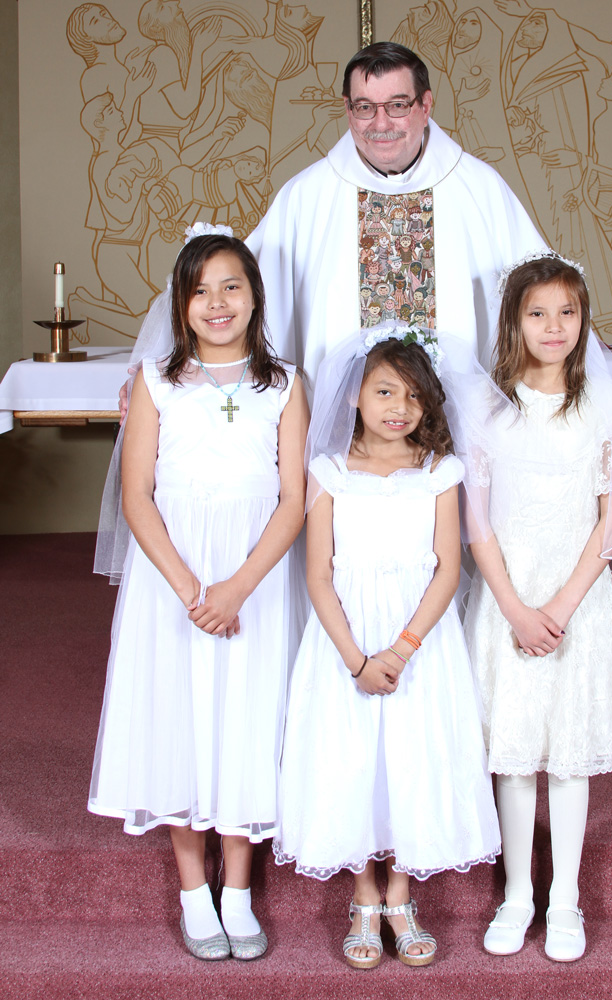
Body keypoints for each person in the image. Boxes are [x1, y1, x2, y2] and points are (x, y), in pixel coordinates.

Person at [88, 230, 309, 961]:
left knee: (246, 714)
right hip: (172, 578)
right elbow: (137, 495)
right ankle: (193, 892)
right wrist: (191, 591)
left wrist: (237, 586)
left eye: (231, 287)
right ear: (181, 303)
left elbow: (292, 498)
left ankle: (239, 892)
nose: (217, 303)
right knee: (180, 713)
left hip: (255, 578)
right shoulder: (155, 381)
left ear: (254, 296)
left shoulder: (283, 384)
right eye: (200, 289)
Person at [275, 328, 501, 968]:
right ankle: (364, 896)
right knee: (354, 760)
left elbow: (448, 570)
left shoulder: (438, 473)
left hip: (417, 641)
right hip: (344, 641)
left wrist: (399, 651)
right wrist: (356, 659)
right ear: (354, 398)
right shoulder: (328, 473)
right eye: (383, 391)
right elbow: (318, 573)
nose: (397, 406)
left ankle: (402, 894)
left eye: (412, 396)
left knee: (411, 758)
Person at [463, 250, 612, 963]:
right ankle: (518, 893)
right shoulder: (484, 408)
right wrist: (515, 607)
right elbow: (476, 523)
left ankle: (564, 898)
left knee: (568, 757)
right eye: (537, 312)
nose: (553, 326)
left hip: (578, 597)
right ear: (514, 320)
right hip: (507, 593)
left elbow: (611, 518)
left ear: (583, 320)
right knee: (514, 754)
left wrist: (565, 603)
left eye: (567, 312)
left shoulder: (608, 407)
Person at [245, 41, 548, 380]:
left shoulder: (479, 188)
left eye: (398, 105)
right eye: (364, 107)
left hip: (459, 412)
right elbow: (239, 290)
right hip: (346, 419)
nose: (380, 123)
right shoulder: (306, 196)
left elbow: (546, 295)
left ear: (426, 105)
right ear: (347, 108)